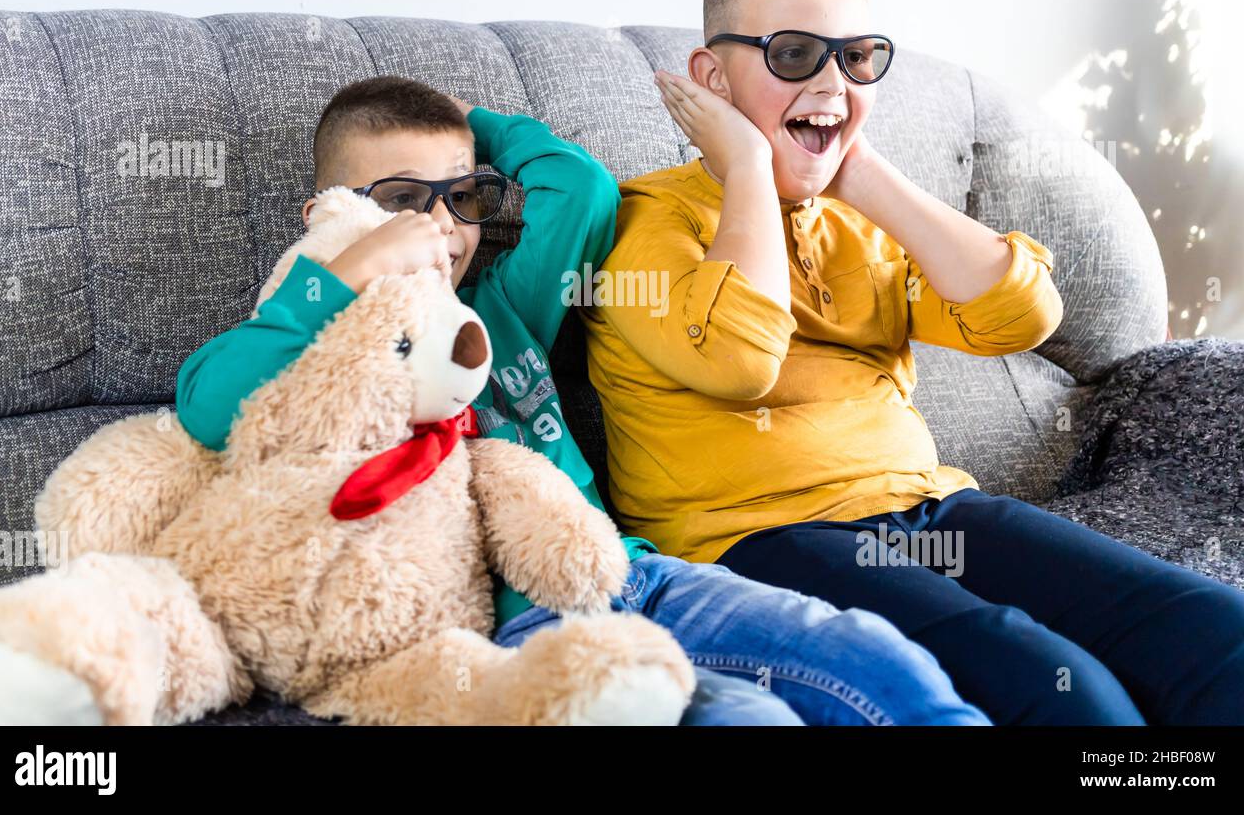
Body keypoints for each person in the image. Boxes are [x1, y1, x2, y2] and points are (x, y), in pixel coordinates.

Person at [580, 0, 1244, 724]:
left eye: (858, 56)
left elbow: (1022, 315)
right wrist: (743, 170)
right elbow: (741, 359)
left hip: (932, 510)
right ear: (712, 78)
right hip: (759, 539)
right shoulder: (647, 224)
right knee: (1069, 695)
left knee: (1227, 638)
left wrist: (865, 174)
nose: (833, 81)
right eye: (796, 53)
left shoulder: (859, 225)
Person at [176, 74, 990, 726]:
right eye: (399, 201)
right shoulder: (307, 337)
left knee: (870, 657)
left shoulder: (499, 306)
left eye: (461, 198)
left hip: (641, 575)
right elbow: (211, 407)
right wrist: (352, 268)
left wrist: (471, 119)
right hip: (528, 627)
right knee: (743, 714)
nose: (440, 228)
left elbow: (582, 187)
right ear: (325, 211)